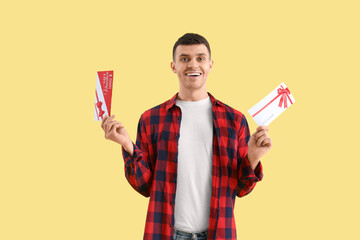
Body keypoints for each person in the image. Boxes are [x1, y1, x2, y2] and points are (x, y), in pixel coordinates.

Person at [101, 33, 272, 240]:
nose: (193, 65)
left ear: (210, 65)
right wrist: (127, 145)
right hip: (166, 234)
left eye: (200, 58)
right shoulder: (151, 119)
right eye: (184, 59)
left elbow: (242, 189)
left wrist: (253, 156)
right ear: (174, 66)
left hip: (218, 234)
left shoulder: (234, 120)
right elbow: (145, 187)